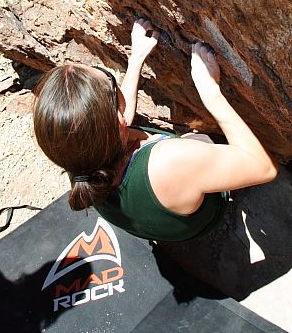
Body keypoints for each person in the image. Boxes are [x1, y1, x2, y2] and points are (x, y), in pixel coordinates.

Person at [33, 18, 277, 241]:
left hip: (158, 219)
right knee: (201, 140)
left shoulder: (78, 153)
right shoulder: (169, 160)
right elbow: (262, 167)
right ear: (116, 122)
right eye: (109, 79)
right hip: (204, 218)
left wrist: (136, 58)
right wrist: (210, 92)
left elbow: (121, 118)